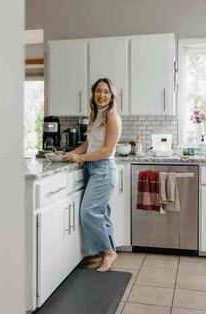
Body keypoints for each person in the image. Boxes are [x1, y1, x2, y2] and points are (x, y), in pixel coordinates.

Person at [63, 78, 122, 272]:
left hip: (104, 169)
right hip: (93, 168)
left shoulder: (112, 117)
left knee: (89, 211)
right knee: (101, 213)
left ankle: (107, 251)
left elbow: (107, 150)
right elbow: (89, 145)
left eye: (106, 92)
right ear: (93, 94)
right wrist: (73, 154)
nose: (102, 95)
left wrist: (81, 159)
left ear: (112, 95)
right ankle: (108, 251)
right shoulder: (96, 115)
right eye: (98, 91)